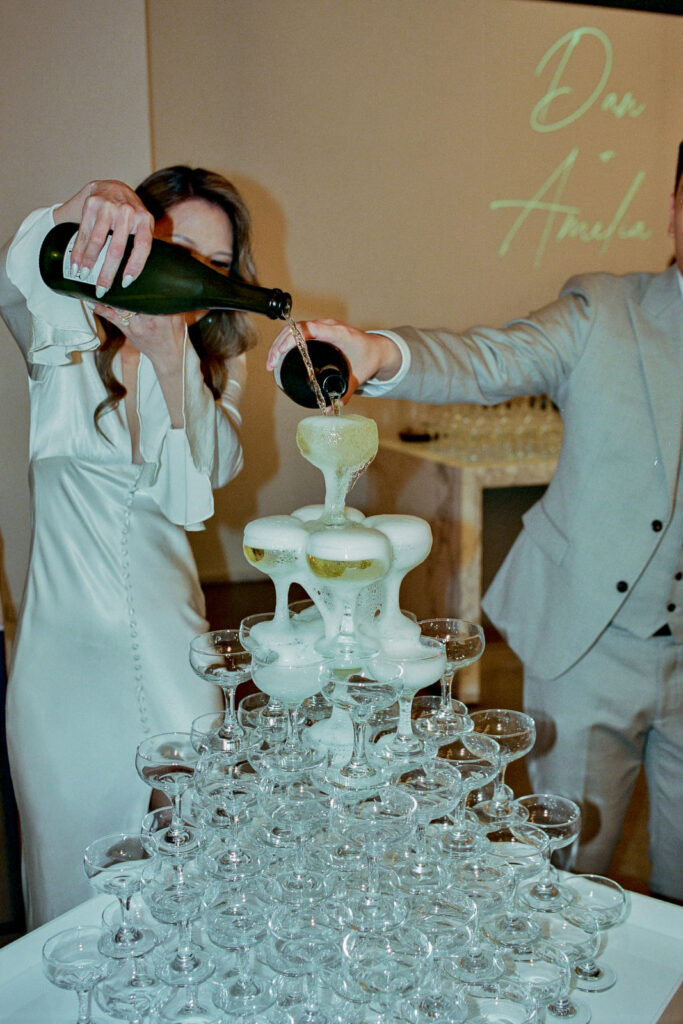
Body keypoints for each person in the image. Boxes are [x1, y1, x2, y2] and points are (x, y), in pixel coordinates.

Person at [268, 142, 683, 903]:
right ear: (673, 205)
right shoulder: (605, 312)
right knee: (566, 872)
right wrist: (376, 351)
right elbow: (487, 360)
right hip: (591, 641)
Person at [1, 165, 257, 927]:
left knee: (191, 888)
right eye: (173, 252)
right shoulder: (58, 332)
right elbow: (14, 279)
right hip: (62, 675)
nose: (191, 277)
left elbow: (212, 473)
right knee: (73, 895)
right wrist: (92, 198)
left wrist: (169, 349)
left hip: (177, 660)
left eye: (212, 265)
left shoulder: (220, 366)